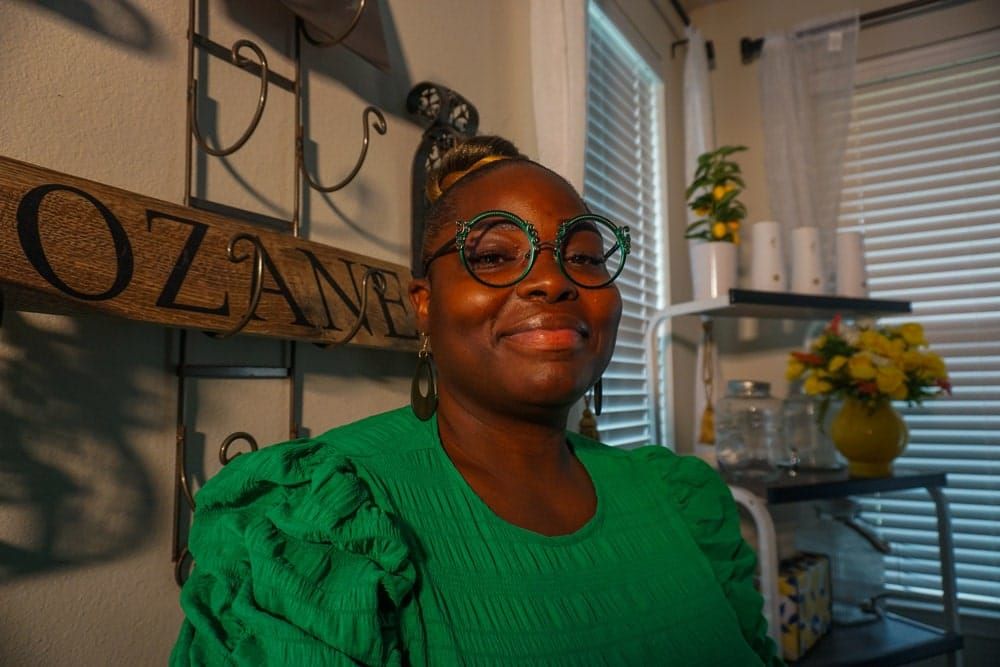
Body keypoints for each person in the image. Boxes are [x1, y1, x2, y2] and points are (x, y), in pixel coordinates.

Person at [171, 136, 781, 666]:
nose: (554, 280)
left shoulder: (683, 502)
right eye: (492, 256)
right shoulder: (319, 522)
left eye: (586, 258)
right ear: (425, 303)